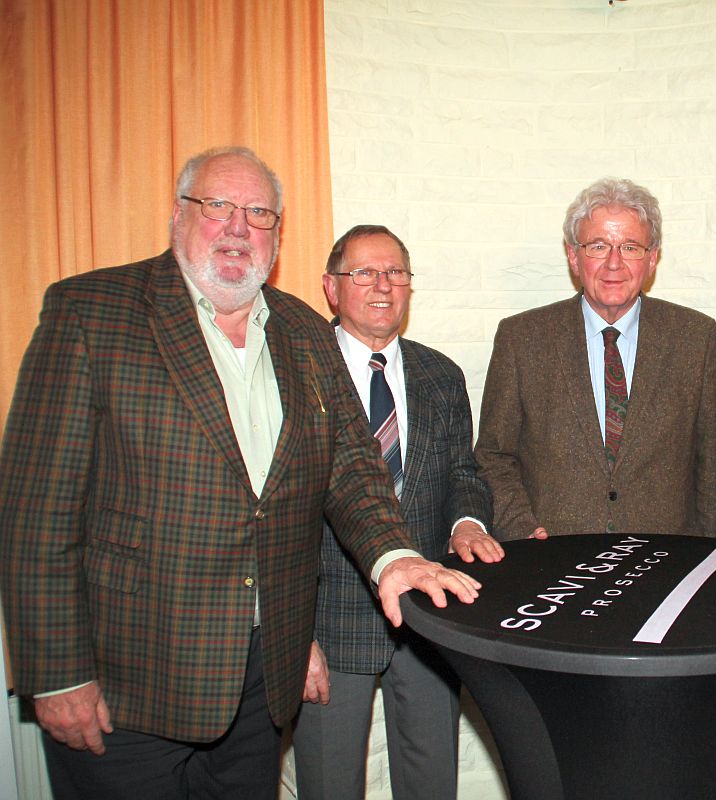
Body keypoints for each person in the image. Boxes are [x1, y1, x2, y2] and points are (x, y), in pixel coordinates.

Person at [0, 147, 482, 800]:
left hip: (259, 686)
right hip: (126, 687)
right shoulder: (92, 312)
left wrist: (393, 557)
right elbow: (35, 514)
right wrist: (58, 675)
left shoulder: (302, 332)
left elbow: (351, 467)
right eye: (218, 206)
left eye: (259, 213)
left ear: (277, 235)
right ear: (178, 215)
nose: (238, 227)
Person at [291, 225, 501, 799]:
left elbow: (464, 473)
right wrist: (294, 637)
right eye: (364, 272)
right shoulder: (297, 372)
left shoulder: (441, 374)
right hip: (328, 623)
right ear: (331, 287)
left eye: (396, 273)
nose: (382, 285)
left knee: (432, 783)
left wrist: (467, 522)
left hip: (430, 620)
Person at [474, 177, 716, 540]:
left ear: (652, 258)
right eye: (598, 246)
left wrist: (702, 550)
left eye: (630, 247)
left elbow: (712, 464)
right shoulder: (522, 339)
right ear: (573, 256)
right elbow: (494, 456)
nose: (613, 263)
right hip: (553, 554)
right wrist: (522, 530)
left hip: (663, 556)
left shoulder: (694, 338)